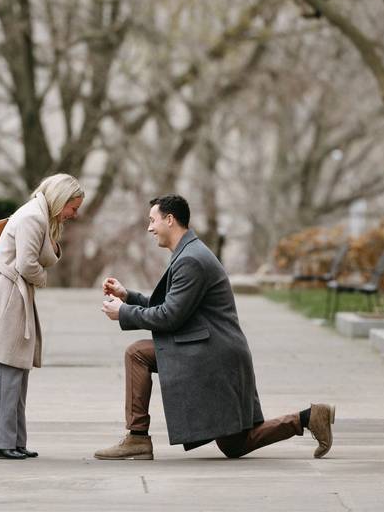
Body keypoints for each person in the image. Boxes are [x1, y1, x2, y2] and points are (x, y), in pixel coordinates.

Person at [94, 195, 335, 460]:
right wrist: (127, 296)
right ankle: (308, 418)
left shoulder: (191, 259)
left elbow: (170, 316)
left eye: (153, 221)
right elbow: (172, 306)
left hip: (213, 354)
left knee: (137, 353)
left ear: (170, 220)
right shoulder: (189, 252)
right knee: (235, 445)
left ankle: (137, 438)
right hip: (217, 350)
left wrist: (124, 313)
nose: (149, 228)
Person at [0, 173, 84, 460]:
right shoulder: (34, 218)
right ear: (60, 201)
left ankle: (11, 440)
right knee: (4, 371)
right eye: (73, 207)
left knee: (14, 373)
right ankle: (1, 442)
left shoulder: (36, 215)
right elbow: (27, 264)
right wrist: (43, 277)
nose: (75, 214)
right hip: (6, 296)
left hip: (9, 293)